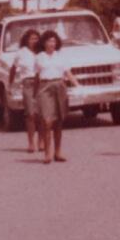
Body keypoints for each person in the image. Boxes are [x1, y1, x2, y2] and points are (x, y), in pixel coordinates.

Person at [34, 30, 80, 164]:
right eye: (49, 41)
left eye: (54, 41)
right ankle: (47, 153)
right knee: (47, 121)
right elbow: (36, 76)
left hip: (59, 86)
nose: (51, 44)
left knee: (59, 121)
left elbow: (67, 72)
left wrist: (77, 84)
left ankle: (58, 152)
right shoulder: (39, 57)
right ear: (43, 43)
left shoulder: (60, 56)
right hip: (45, 87)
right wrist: (34, 94)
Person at [9, 30, 41, 153]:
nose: (34, 41)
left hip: (42, 84)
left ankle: (42, 140)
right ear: (26, 40)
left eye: (36, 38)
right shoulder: (21, 53)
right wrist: (10, 84)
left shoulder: (41, 51)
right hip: (28, 83)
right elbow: (13, 68)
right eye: (32, 38)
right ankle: (31, 142)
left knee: (41, 114)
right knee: (30, 114)